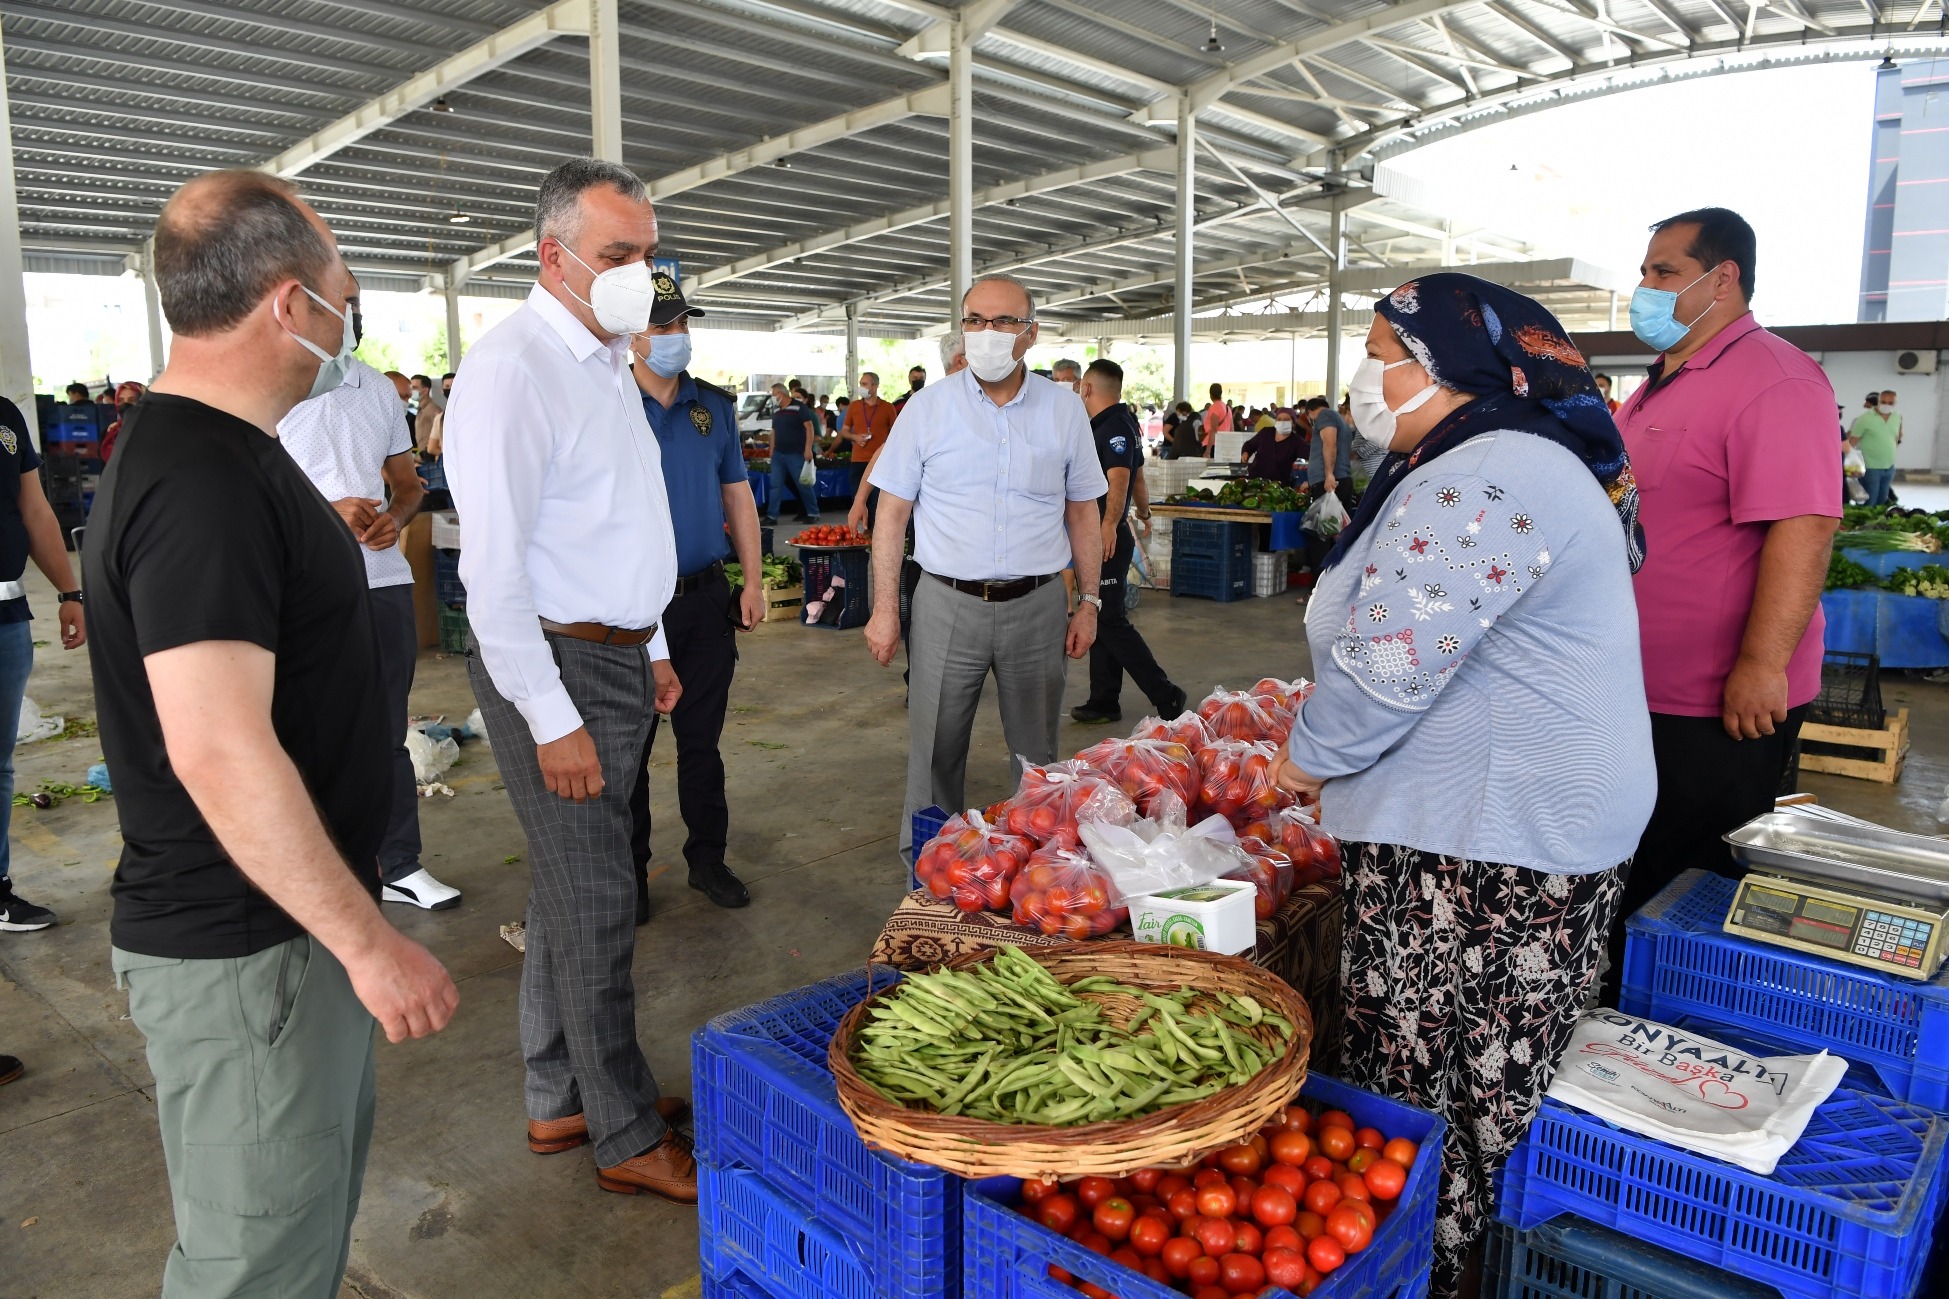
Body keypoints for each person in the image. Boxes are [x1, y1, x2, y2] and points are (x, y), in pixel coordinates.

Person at [86, 169, 458, 1298]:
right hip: (249, 949)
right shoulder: (200, 478)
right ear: (290, 305)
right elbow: (217, 747)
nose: (354, 320)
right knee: (254, 1270)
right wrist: (365, 941)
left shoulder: (231, 457)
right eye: (348, 293)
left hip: (274, 938)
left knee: (290, 1246)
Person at [1275, 273, 1654, 1299]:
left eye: (1379, 354)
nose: (1364, 377)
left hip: (1485, 840)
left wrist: (1300, 758)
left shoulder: (1486, 474)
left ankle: (1427, 1272)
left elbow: (1387, 666)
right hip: (1511, 817)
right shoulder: (1504, 456)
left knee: (1429, 1081)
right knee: (1492, 1068)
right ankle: (1454, 1263)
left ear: (1446, 367)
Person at [445, 157, 694, 1202]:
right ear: (553, 257)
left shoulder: (601, 357)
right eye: (617, 256)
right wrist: (551, 717)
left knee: (567, 891)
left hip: (615, 653)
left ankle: (562, 1098)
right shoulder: (512, 370)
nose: (641, 274)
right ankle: (622, 1133)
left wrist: (655, 647)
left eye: (647, 253)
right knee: (598, 900)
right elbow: (490, 573)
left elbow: (621, 513)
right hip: (551, 662)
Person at [1606, 206, 1840, 990]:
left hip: (1714, 702)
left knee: (1684, 884)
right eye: (1643, 271)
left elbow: (1803, 527)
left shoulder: (1773, 378)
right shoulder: (1657, 386)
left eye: (1663, 272)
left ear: (1723, 277)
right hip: (1634, 690)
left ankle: (1658, 1033)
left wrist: (1760, 662)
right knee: (1634, 873)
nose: (1644, 287)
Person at [863, 275, 1105, 863]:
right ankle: (929, 876)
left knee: (1037, 755)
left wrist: (1091, 600)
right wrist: (884, 610)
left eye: (1002, 322)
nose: (987, 334)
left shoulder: (1063, 410)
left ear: (1031, 333)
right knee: (936, 750)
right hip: (946, 604)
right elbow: (890, 514)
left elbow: (1082, 511)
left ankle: (1042, 877)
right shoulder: (927, 408)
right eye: (975, 320)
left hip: (1037, 604)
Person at [278, 338, 460, 914]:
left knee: (385, 731)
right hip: (297, 584)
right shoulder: (269, 383)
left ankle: (397, 864)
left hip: (380, 579)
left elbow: (407, 485)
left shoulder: (377, 390)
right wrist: (321, 513)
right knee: (300, 731)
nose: (348, 313)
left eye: (353, 300)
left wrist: (396, 517)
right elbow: (235, 493)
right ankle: (311, 872)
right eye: (339, 297)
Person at [623, 271, 762, 924]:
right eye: (662, 325)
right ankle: (632, 873)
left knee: (700, 742)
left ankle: (708, 859)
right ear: (631, 334)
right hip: (629, 608)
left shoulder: (714, 407)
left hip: (703, 600)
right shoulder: (607, 403)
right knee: (632, 749)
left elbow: (738, 495)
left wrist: (754, 580)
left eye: (683, 323)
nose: (676, 336)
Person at [0, 393, 87, 934]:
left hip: (6, 613)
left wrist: (68, 593)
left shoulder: (5, 417)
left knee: (0, 763)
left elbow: (33, 509)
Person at [1071, 358, 1184, 726]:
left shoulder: (1113, 426)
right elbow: (1137, 477)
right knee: (1101, 616)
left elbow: (1119, 478)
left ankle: (1165, 693)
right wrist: (1146, 513)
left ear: (1087, 388)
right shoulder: (1120, 422)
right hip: (1105, 530)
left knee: (1110, 620)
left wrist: (1109, 525)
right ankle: (1104, 700)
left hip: (1105, 534)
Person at [848, 336, 964, 534]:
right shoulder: (926, 404)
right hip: (939, 524)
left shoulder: (979, 400)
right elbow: (888, 450)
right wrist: (860, 500)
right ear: (961, 360)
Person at [763, 380, 821, 526]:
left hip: (796, 453)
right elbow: (773, 431)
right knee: (775, 484)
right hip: (778, 454)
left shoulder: (799, 407)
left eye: (774, 394)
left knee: (803, 484)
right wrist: (771, 450)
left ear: (781, 394)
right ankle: (772, 516)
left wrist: (808, 449)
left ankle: (813, 512)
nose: (772, 398)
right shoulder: (777, 411)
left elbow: (809, 428)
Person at [839, 370, 896, 497]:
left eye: (864, 384)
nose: (861, 387)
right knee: (858, 497)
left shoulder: (887, 407)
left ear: (875, 386)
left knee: (877, 498)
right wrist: (855, 437)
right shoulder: (854, 406)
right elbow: (844, 431)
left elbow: (896, 433)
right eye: (860, 384)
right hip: (858, 460)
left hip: (880, 460)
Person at [1848, 389, 1902, 507]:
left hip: (1889, 466)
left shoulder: (1897, 417)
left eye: (1890, 403)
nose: (1886, 405)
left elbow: (1896, 437)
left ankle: (1878, 524)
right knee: (1870, 500)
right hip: (1870, 466)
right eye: (1883, 401)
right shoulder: (1865, 418)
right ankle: (1865, 524)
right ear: (1878, 401)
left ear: (1895, 403)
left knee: (1882, 500)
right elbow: (1852, 441)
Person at [1305, 394, 1353, 508]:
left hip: (1330, 482)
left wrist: (1329, 475)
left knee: (1327, 524)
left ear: (1310, 412)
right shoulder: (1339, 419)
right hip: (1338, 479)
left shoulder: (1325, 415)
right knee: (1336, 524)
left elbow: (1330, 444)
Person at [1239, 406, 1305, 483]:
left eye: (1286, 419)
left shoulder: (1296, 441)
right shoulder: (1266, 432)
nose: (1282, 422)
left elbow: (1310, 457)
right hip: (1255, 480)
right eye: (1279, 419)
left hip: (1279, 485)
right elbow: (1249, 445)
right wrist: (1246, 452)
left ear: (1293, 423)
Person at [100, 380, 145, 462]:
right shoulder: (111, 432)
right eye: (120, 401)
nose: (125, 404)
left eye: (132, 400)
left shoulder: (153, 429)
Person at [409, 373, 440, 452]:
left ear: (425, 390)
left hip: (430, 458)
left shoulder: (433, 410)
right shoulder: (421, 409)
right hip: (423, 457)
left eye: (414, 388)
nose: (411, 391)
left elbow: (441, 436)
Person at [1200, 381, 1232, 455]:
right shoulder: (1227, 408)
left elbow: (1214, 430)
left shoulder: (1214, 407)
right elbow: (1231, 429)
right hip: (1224, 444)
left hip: (1213, 445)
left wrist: (1208, 450)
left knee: (1210, 466)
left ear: (1210, 394)